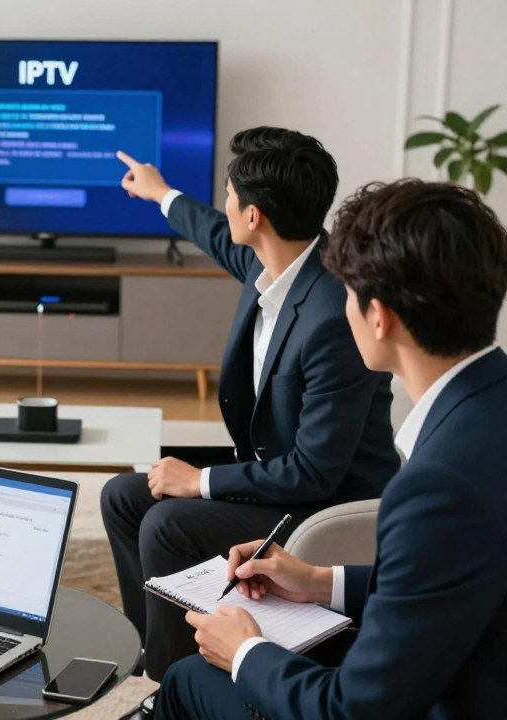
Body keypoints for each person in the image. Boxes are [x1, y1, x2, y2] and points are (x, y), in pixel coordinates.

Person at [157, 179, 507, 719]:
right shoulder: (488, 408)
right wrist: (319, 582)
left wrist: (245, 652)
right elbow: (454, 577)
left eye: (345, 292)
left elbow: (353, 710)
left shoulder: (437, 486)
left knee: (187, 680)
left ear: (379, 316)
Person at [102, 127, 399, 678]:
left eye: (231, 194)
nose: (226, 205)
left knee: (168, 523)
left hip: (328, 500)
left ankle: (178, 687)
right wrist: (160, 192)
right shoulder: (280, 262)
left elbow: (315, 472)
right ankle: (157, 651)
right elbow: (217, 233)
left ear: (256, 216)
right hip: (279, 471)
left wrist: (201, 482)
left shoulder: (334, 315)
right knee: (124, 495)